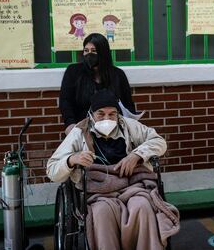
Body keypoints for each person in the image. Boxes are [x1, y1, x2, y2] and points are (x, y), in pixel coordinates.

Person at [47, 89, 179, 250]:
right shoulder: (79, 132)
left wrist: (136, 155)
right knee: (102, 213)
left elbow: (159, 141)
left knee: (142, 206)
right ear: (91, 114)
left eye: (112, 114)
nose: (107, 119)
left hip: (131, 185)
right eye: (100, 114)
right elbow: (52, 169)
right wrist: (72, 159)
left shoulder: (129, 126)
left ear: (118, 114)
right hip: (98, 192)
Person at [59, 33, 136, 135]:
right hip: (83, 130)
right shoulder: (74, 72)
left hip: (114, 131)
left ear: (103, 52)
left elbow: (127, 104)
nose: (89, 54)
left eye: (94, 51)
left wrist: (130, 126)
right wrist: (70, 124)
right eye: (86, 51)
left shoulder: (117, 75)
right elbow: (65, 101)